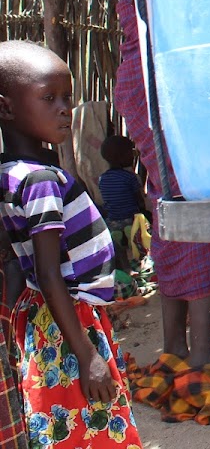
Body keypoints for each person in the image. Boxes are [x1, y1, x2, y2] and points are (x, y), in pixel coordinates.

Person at [85, 0, 210, 367]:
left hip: (142, 80)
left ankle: (174, 348)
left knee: (170, 200)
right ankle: (201, 355)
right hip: (161, 81)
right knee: (199, 202)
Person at [0, 41, 141, 447]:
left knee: (61, 422)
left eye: (67, 98)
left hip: (43, 318)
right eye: (49, 98)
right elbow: (47, 272)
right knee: (91, 424)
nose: (65, 109)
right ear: (6, 108)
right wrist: (86, 353)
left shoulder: (11, 174)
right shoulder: (41, 181)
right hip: (68, 319)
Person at [97, 135, 146, 275]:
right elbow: (139, 199)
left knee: (119, 247)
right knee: (139, 242)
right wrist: (143, 212)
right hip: (130, 218)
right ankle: (140, 265)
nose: (133, 155)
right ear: (123, 156)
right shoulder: (130, 177)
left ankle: (125, 267)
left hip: (112, 220)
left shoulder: (103, 179)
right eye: (131, 152)